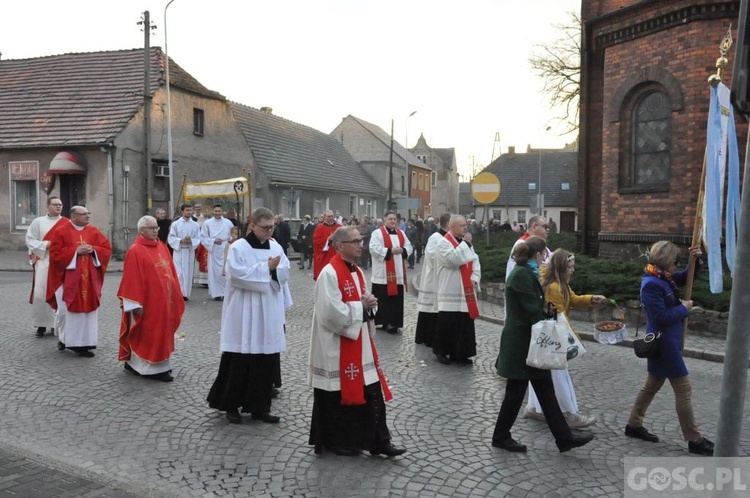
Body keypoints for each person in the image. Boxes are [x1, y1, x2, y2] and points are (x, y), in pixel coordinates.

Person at [308, 226, 406, 457]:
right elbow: (330, 313)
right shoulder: (329, 274)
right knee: (336, 396)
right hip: (335, 346)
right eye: (355, 241)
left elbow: (364, 302)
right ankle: (337, 441)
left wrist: (370, 304)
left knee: (371, 391)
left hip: (359, 344)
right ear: (340, 246)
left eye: (361, 240)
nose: (360, 244)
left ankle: (379, 440)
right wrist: (362, 307)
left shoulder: (358, 272)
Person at [492, 236, 594, 453]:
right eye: (543, 256)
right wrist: (549, 315)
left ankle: (564, 439)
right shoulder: (522, 274)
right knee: (515, 392)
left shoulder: (526, 272)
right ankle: (501, 436)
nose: (545, 261)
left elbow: (534, 305)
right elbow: (530, 309)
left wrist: (548, 311)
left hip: (528, 342)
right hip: (520, 343)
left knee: (546, 391)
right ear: (537, 255)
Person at [624, 241, 714, 456]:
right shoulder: (651, 283)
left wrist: (696, 260)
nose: (678, 264)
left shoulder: (662, 277)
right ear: (667, 261)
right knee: (683, 390)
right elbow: (660, 317)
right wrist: (684, 309)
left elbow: (684, 277)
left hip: (668, 342)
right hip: (663, 344)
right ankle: (694, 439)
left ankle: (633, 425)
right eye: (676, 261)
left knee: (651, 385)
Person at [207, 207, 291, 424]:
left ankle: (259, 407)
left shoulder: (275, 246)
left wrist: (273, 270)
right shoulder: (238, 248)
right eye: (265, 227)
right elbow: (237, 275)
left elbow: (284, 271)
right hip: (244, 310)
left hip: (267, 310)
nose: (269, 231)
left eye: (272, 226)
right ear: (252, 225)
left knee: (264, 360)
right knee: (239, 359)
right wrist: (266, 267)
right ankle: (231, 405)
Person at [523, 249, 606, 427]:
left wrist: (591, 299)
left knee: (543, 375)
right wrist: (574, 338)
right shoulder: (553, 287)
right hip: (554, 339)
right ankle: (570, 415)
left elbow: (573, 299)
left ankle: (534, 409)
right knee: (560, 377)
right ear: (561, 267)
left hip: (551, 338)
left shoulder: (560, 284)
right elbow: (559, 316)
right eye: (570, 267)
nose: (573, 270)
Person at [117, 216, 185, 382]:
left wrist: (175, 293)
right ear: (141, 231)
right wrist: (134, 304)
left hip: (164, 301)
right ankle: (148, 368)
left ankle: (139, 364)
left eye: (156, 228)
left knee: (161, 332)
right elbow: (131, 280)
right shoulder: (135, 250)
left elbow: (171, 272)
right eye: (151, 228)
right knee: (146, 333)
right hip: (146, 302)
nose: (155, 230)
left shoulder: (161, 246)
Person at [46, 205, 112, 358]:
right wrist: (75, 251)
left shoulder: (93, 231)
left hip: (89, 279)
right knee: (65, 312)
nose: (87, 217)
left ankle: (85, 343)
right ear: (74, 216)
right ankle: (65, 339)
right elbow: (55, 254)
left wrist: (93, 249)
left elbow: (106, 248)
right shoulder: (61, 231)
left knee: (88, 311)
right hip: (67, 280)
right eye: (84, 214)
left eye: (88, 213)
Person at [432, 215, 481, 365]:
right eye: (461, 225)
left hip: (465, 289)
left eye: (466, 225)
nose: (465, 228)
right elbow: (452, 260)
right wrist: (465, 244)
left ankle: (460, 353)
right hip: (449, 289)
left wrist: (475, 278)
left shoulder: (466, 244)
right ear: (451, 227)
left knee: (463, 323)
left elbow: (475, 261)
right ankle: (442, 352)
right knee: (448, 322)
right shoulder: (443, 243)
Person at [25, 196, 65, 337]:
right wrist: (45, 245)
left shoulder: (66, 223)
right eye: (55, 204)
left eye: (60, 204)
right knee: (41, 293)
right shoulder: (38, 222)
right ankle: (41, 325)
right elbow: (30, 239)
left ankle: (56, 325)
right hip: (44, 261)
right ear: (48, 206)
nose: (58, 207)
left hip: (60, 264)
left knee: (58, 294)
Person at [369, 211, 413, 334]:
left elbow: (409, 247)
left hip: (397, 272)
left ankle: (394, 323)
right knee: (383, 299)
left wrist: (403, 250)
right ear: (384, 220)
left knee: (395, 301)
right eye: (390, 219)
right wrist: (390, 251)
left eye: (394, 219)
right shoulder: (377, 233)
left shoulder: (401, 233)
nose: (393, 221)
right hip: (382, 274)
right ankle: (383, 321)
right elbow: (373, 248)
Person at [415, 212, 450, 348]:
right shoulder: (436, 237)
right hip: (433, 279)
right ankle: (427, 337)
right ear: (448, 224)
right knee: (431, 310)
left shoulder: (450, 237)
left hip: (444, 280)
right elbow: (431, 257)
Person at [201, 204, 235, 301]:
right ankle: (217, 293)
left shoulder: (228, 222)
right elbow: (203, 237)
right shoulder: (207, 223)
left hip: (225, 248)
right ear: (213, 212)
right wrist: (213, 241)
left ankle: (225, 293)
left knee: (225, 270)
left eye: (219, 211)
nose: (217, 213)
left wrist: (230, 240)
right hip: (214, 249)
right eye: (215, 211)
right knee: (215, 272)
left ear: (222, 211)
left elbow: (232, 234)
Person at [168, 204, 201, 301]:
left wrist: (191, 241)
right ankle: (178, 293)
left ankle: (185, 294)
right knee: (179, 273)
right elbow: (171, 237)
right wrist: (181, 240)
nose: (189, 212)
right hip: (179, 251)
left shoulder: (195, 225)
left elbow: (198, 238)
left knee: (188, 272)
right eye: (187, 210)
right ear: (182, 211)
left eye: (191, 210)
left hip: (189, 251)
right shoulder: (176, 224)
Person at [312, 210, 341, 280]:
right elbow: (316, 241)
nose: (331, 218)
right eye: (329, 216)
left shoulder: (339, 227)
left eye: (332, 216)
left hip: (336, 253)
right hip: (325, 255)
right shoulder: (319, 228)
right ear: (324, 217)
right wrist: (327, 239)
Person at [193, 204, 209, 288]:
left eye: (199, 208)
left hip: (203, 242)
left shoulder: (205, 218)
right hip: (195, 241)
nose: (198, 210)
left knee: (205, 259)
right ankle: (198, 279)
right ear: (194, 209)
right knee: (196, 260)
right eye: (196, 208)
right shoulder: (192, 218)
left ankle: (205, 280)